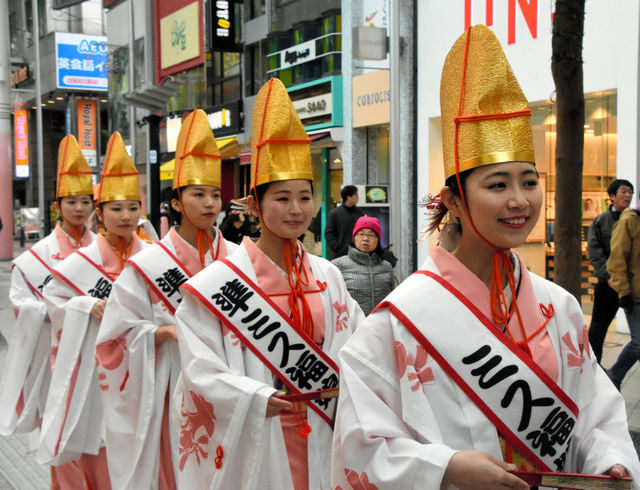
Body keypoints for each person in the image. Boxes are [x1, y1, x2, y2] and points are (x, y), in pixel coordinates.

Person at [331, 25, 640, 489]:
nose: (520, 200)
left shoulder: (559, 308)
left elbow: (594, 414)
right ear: (453, 199)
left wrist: (609, 459)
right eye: (497, 185)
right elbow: (360, 442)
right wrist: (445, 467)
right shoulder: (398, 321)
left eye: (529, 181)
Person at [173, 78, 365, 489]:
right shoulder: (219, 283)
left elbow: (358, 344)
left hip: (325, 428)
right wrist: (253, 397)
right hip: (258, 434)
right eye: (282, 198)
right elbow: (198, 368)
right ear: (255, 205)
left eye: (305, 197)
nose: (296, 210)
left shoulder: (328, 275)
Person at [94, 109, 238, 490]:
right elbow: (113, 340)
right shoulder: (149, 265)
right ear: (175, 203)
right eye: (198, 194)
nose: (209, 203)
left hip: (233, 379)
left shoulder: (238, 257)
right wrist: (163, 333)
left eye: (215, 194)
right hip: (172, 381)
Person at [38, 131, 148, 489]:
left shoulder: (152, 255)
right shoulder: (80, 262)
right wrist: (87, 305)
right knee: (98, 446)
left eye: (133, 207)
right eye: (116, 208)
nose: (126, 215)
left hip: (142, 365)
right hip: (95, 371)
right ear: (101, 215)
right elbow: (53, 302)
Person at [0, 135, 96, 488]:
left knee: (100, 434)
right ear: (58, 205)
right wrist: (63, 310)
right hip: (57, 360)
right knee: (61, 433)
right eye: (72, 201)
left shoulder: (105, 251)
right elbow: (21, 304)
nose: (79, 208)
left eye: (86, 201)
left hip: (100, 359)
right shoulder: (33, 259)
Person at [587, 179, 634, 363]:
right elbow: (595, 252)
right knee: (598, 328)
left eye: (631, 192)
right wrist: (609, 276)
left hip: (630, 285)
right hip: (607, 284)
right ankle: (592, 366)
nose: (628, 196)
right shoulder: (601, 221)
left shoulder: (634, 220)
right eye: (624, 192)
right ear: (612, 196)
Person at [606, 201, 640, 391]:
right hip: (634, 293)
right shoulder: (628, 221)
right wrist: (623, 291)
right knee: (638, 344)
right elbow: (617, 257)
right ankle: (615, 374)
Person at [332, 216, 395, 315]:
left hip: (380, 327)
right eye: (361, 234)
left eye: (371, 235)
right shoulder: (338, 265)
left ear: (378, 240)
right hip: (351, 327)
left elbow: (392, 300)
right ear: (354, 237)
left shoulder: (387, 267)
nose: (365, 239)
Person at [324, 185, 364, 258]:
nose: (358, 197)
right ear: (348, 197)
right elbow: (329, 233)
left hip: (358, 253)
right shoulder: (335, 213)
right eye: (356, 195)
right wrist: (336, 247)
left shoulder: (360, 213)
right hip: (339, 255)